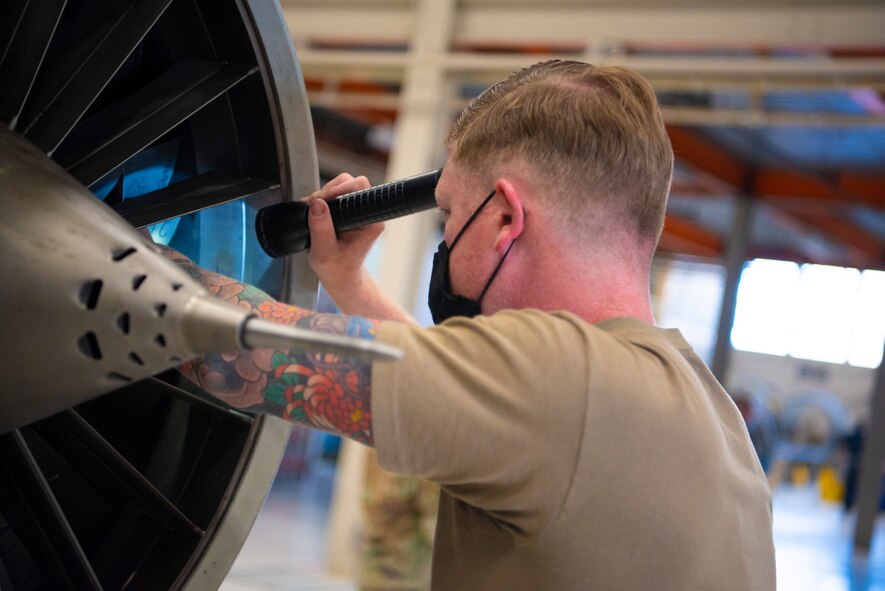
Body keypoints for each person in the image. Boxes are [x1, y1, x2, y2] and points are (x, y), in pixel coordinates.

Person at [160, 60, 776, 590]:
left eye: (451, 212)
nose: (447, 236)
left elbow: (257, 357)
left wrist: (110, 255)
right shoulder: (703, 412)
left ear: (506, 216)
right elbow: (477, 396)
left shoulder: (562, 381)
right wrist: (350, 284)